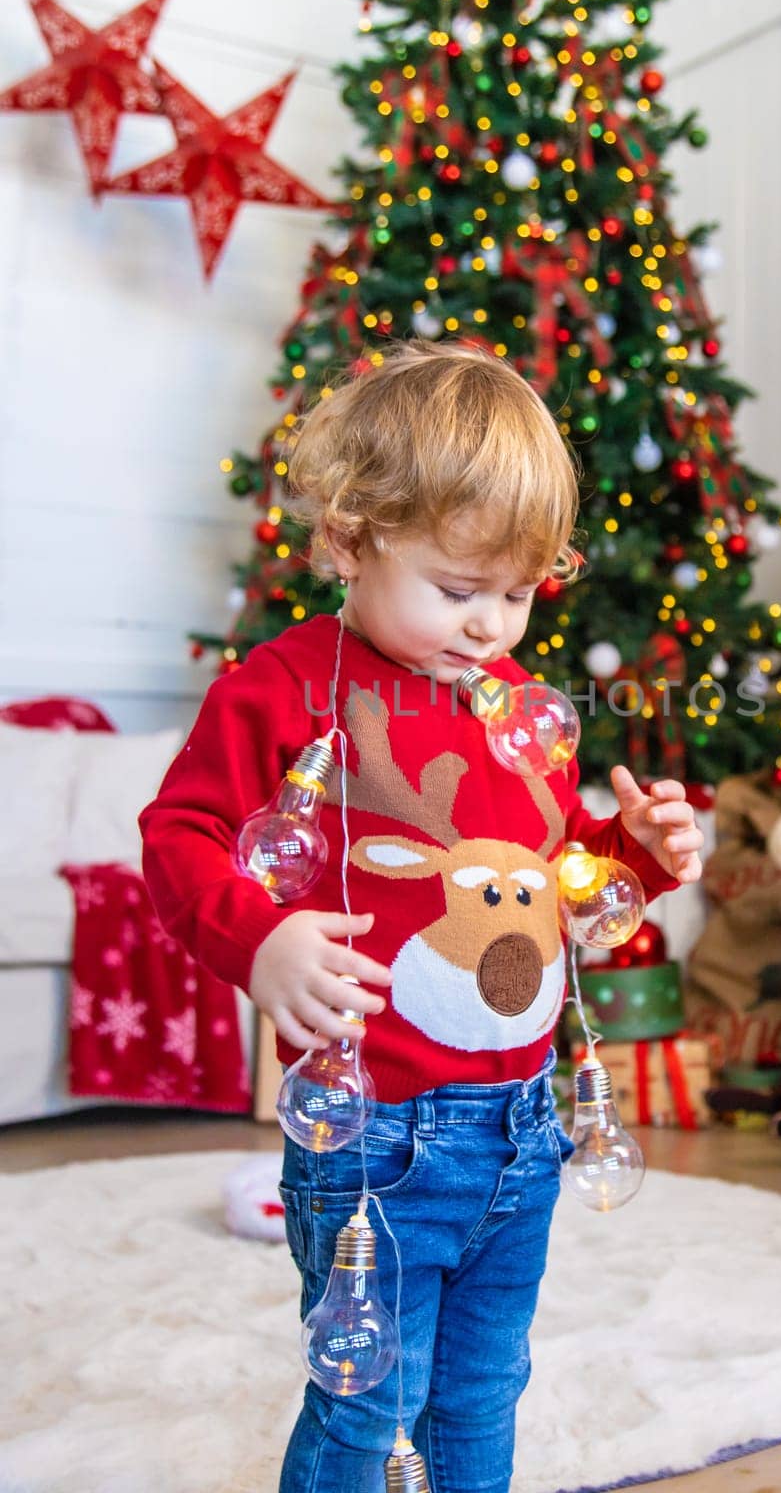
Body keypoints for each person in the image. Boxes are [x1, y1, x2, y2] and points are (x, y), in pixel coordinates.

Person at [140, 340, 704, 1493]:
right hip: (375, 1138)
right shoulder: (286, 686)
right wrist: (263, 939)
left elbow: (544, 879)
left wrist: (633, 851)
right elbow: (180, 837)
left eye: (519, 591)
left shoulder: (524, 712)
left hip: (521, 1126)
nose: (493, 624)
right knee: (368, 1404)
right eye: (458, 589)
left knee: (486, 1385)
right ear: (352, 539)